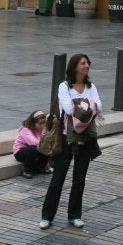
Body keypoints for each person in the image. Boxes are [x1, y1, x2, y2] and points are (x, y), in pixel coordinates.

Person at [40, 53, 102, 229]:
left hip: (86, 138)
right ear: (74, 67)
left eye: (87, 63)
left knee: (79, 178)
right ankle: (47, 216)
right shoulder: (64, 86)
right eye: (83, 63)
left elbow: (99, 106)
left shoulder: (91, 86)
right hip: (66, 137)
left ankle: (75, 215)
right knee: (58, 178)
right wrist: (88, 106)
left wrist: (82, 106)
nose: (86, 66)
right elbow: (68, 108)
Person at [12, 110, 50, 177]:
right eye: (40, 124)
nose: (42, 126)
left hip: (34, 149)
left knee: (46, 146)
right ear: (33, 123)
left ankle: (41, 167)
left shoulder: (41, 129)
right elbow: (34, 142)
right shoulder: (25, 130)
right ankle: (26, 169)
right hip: (20, 152)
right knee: (33, 148)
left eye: (44, 123)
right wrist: (44, 135)